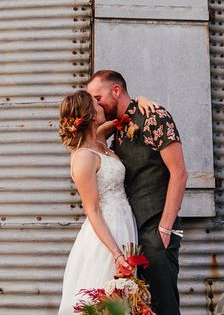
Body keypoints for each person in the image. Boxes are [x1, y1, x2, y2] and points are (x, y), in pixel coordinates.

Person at [87, 70, 188, 315]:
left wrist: (164, 229)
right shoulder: (117, 128)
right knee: (139, 308)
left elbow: (180, 174)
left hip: (155, 228)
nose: (96, 105)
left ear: (116, 90)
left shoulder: (155, 117)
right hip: (131, 234)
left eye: (98, 98)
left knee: (164, 306)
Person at [57, 89, 159, 315]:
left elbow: (124, 117)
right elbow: (92, 210)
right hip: (106, 235)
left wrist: (140, 99)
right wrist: (117, 254)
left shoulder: (100, 140)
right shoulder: (83, 157)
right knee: (103, 296)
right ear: (91, 114)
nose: (102, 106)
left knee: (123, 301)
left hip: (124, 225)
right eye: (97, 103)